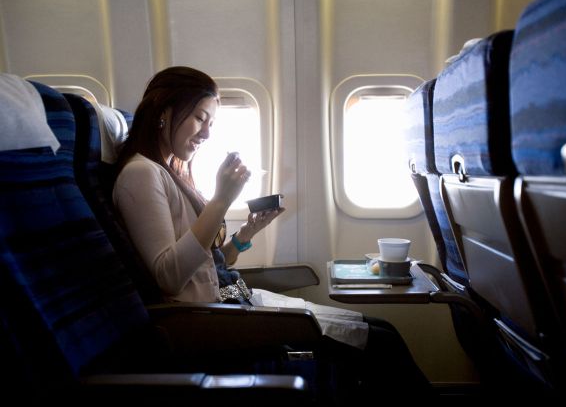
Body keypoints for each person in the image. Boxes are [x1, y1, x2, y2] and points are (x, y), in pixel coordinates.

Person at [112, 66, 433, 403]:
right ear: (164, 112)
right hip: (208, 320)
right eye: (199, 118)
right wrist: (221, 200)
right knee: (381, 342)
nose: (206, 133)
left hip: (232, 298)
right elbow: (169, 276)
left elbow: (209, 265)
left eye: (211, 123)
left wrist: (246, 234)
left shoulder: (172, 172)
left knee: (382, 330)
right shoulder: (141, 174)